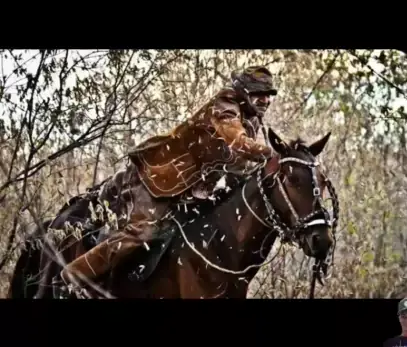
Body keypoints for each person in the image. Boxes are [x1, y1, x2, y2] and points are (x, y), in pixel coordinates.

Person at [60, 66, 277, 289]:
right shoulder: (225, 106)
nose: (265, 100)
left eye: (269, 95)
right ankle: (70, 278)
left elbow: (238, 166)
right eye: (259, 93)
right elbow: (238, 143)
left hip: (188, 192)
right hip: (158, 179)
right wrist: (275, 154)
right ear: (243, 91)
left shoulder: (252, 118)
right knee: (141, 234)